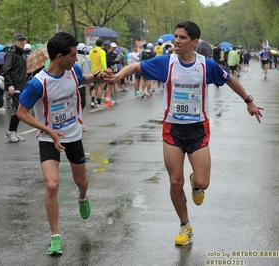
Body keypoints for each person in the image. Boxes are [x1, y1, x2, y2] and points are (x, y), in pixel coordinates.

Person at [104, 20, 263, 246]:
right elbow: (137, 67)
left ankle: (195, 183)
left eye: (182, 38)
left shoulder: (206, 65)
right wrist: (118, 77)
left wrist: (249, 101)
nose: (176, 41)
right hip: (172, 129)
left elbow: (230, 80)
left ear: (194, 42)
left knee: (203, 182)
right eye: (175, 37)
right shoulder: (165, 63)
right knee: (175, 181)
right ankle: (185, 225)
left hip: (198, 128)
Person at [17, 32, 108, 255]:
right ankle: (55, 236)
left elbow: (82, 79)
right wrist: (47, 129)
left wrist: (96, 75)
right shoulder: (37, 84)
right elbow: (21, 113)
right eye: (73, 55)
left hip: (73, 134)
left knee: (82, 181)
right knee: (52, 185)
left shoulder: (73, 70)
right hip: (49, 137)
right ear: (59, 56)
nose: (76, 60)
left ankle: (83, 196)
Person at [2, 34, 27, 143]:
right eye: (20, 40)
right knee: (19, 109)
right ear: (15, 41)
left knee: (20, 110)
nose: (22, 42)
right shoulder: (11, 54)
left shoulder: (22, 55)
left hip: (21, 85)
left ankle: (13, 131)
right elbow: (5, 70)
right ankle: (10, 132)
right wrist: (9, 84)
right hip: (14, 86)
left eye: (23, 40)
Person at [89, 39, 107, 108]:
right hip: (99, 71)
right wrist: (105, 70)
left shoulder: (91, 51)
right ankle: (99, 102)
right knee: (100, 86)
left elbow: (90, 61)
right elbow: (103, 61)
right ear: (102, 44)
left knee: (94, 86)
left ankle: (92, 101)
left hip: (93, 71)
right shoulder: (102, 51)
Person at [76, 43, 91, 114]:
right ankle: (80, 117)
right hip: (81, 84)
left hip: (72, 83)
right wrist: (91, 84)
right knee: (82, 102)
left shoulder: (73, 57)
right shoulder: (84, 59)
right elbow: (87, 73)